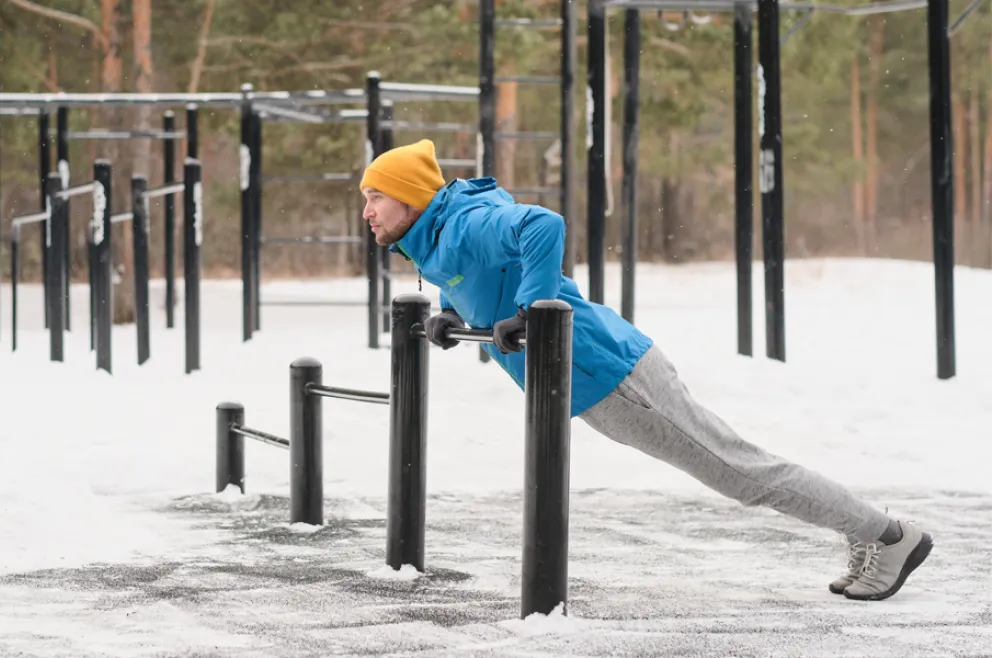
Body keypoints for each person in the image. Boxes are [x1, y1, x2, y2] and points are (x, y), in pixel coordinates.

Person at [359, 138, 933, 601]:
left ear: (410, 197)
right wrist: (454, 314)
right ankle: (872, 530)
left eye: (375, 197)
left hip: (612, 373)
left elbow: (542, 226)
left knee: (741, 473)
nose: (366, 211)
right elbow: (488, 271)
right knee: (738, 469)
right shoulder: (437, 234)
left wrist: (532, 310)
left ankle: (887, 535)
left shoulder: (462, 224)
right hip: (593, 379)